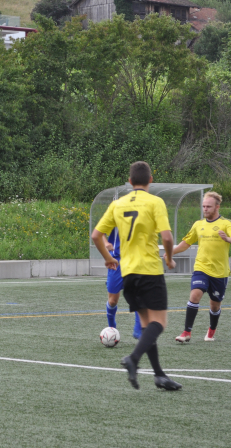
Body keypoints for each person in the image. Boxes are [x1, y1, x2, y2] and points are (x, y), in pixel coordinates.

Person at [92, 161, 182, 391]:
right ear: (151, 180)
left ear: (130, 181)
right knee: (159, 323)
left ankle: (159, 376)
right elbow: (167, 238)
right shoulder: (155, 202)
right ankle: (133, 358)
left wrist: (108, 258)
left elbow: (96, 235)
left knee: (146, 325)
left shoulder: (118, 204)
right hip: (149, 270)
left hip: (128, 272)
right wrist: (169, 259)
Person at [172, 191, 231, 343]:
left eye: (208, 206)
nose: (205, 209)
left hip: (220, 272)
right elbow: (186, 243)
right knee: (195, 295)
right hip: (201, 268)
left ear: (217, 207)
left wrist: (227, 238)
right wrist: (171, 252)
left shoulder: (226, 223)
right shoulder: (198, 225)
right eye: (203, 206)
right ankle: (186, 332)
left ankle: (211, 330)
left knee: (215, 305)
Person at [98, 228, 143, 339]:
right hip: (116, 259)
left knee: (137, 295)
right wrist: (106, 243)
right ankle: (112, 327)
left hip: (134, 259)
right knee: (112, 301)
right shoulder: (114, 215)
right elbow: (99, 231)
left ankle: (138, 330)